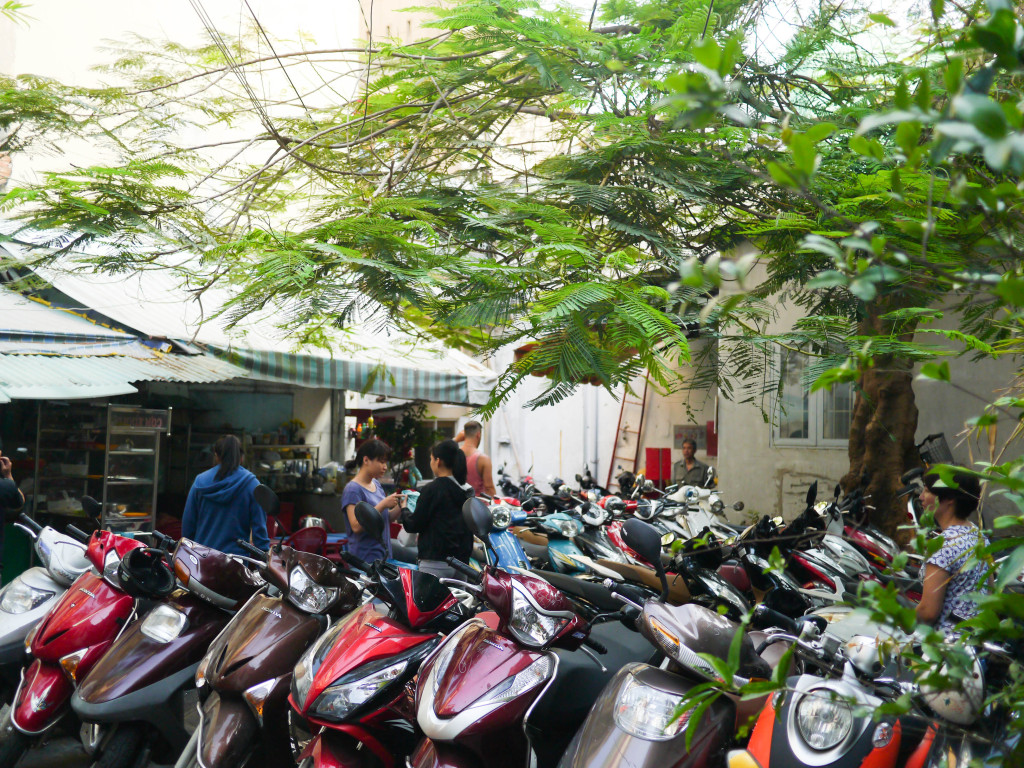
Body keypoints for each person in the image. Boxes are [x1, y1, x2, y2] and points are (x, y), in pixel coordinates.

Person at [915, 469, 989, 630]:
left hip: (947, 645)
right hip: (977, 642)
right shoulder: (978, 535)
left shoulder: (943, 545)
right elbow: (991, 591)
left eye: (927, 491)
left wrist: (899, 621)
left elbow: (928, 612)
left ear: (949, 499)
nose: (921, 497)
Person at [182, 435, 269, 557]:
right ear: (241, 457)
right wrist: (264, 562)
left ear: (216, 456)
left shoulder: (200, 482)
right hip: (236, 562)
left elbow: (188, 527)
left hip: (202, 560)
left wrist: (188, 557)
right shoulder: (251, 484)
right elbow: (259, 531)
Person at [400, 439, 474, 579]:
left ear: (438, 461)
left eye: (431, 459)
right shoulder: (467, 490)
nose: (431, 462)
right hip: (462, 564)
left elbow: (414, 524)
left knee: (431, 601)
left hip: (435, 562)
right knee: (460, 601)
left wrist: (404, 509)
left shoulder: (432, 489)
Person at [340, 438, 403, 563]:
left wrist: (401, 506)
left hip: (383, 557)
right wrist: (384, 504)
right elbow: (356, 527)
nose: (385, 467)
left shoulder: (376, 484)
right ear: (366, 460)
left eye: (386, 462)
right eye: (381, 461)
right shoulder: (353, 489)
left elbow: (385, 518)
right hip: (365, 560)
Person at [456, 421, 496, 497]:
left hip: (456, 505)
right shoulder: (483, 459)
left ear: (464, 435)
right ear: (478, 434)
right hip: (477, 506)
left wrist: (455, 439)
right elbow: (489, 488)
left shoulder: (453, 455)